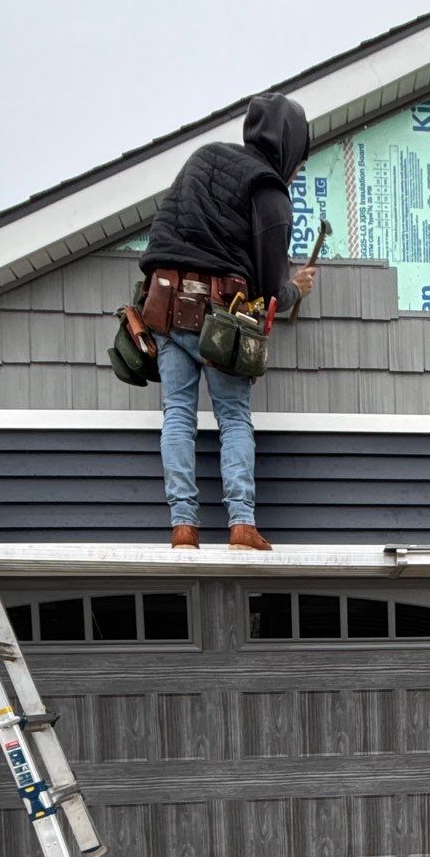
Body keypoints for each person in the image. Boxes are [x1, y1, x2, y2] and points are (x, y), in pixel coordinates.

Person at [140, 92, 317, 551]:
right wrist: (297, 287)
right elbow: (269, 288)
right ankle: (241, 523)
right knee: (234, 417)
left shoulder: (205, 157)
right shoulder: (269, 189)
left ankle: (183, 528)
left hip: (165, 304)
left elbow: (162, 232)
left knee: (176, 416)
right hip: (218, 320)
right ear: (289, 147)